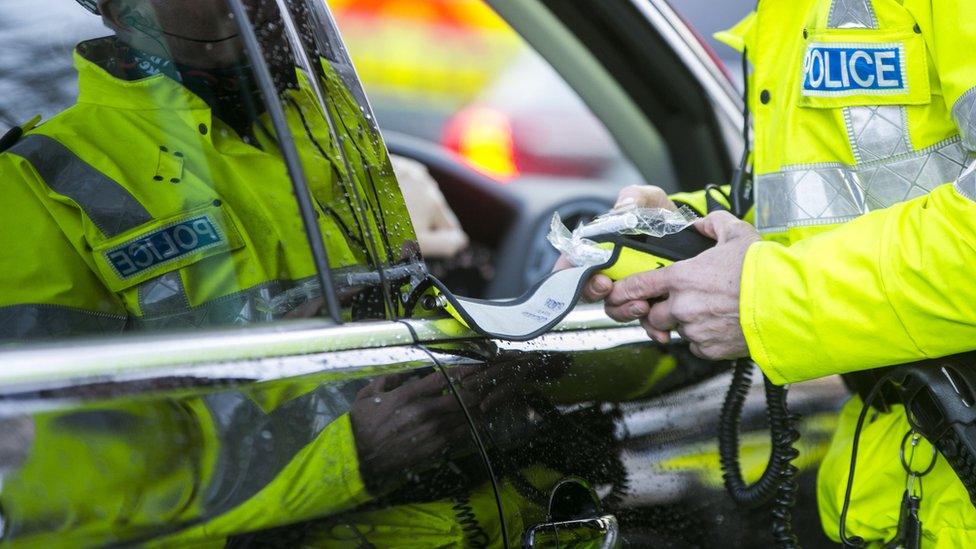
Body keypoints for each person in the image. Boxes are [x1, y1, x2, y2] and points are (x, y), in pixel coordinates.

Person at [575, 0, 976, 544]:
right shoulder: (789, 11)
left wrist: (764, 296)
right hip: (910, 469)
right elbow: (822, 209)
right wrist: (678, 235)